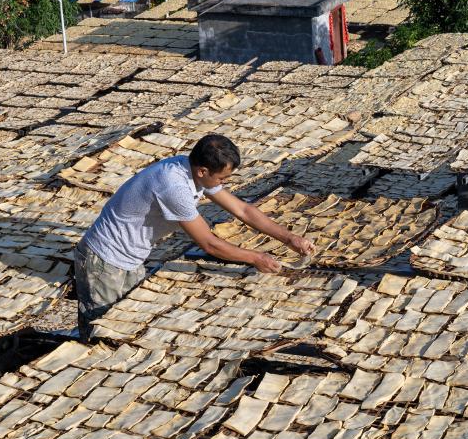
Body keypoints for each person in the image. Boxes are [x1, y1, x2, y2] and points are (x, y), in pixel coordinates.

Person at [74, 133, 315, 339]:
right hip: (105, 260)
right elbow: (209, 244)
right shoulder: (174, 187)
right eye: (222, 178)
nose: (223, 183)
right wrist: (255, 258)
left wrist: (289, 238)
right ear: (203, 170)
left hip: (132, 256)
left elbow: (243, 210)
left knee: (126, 324)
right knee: (101, 330)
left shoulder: (192, 170)